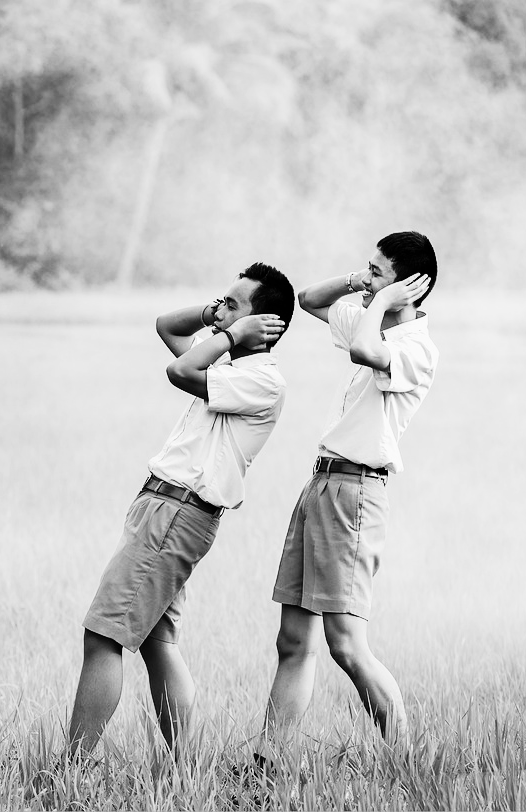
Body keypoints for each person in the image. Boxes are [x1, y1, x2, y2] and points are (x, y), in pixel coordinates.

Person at [68, 263, 295, 756]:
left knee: (103, 636)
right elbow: (167, 327)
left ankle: (68, 771)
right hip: (165, 508)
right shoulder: (229, 368)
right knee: (157, 643)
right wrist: (219, 316)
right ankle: (185, 769)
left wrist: (231, 334)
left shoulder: (262, 380)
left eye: (233, 304)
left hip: (176, 512)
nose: (221, 310)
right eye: (221, 301)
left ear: (262, 324)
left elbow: (179, 370)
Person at [255, 231, 438, 762]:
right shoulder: (371, 317)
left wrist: (382, 300)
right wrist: (364, 283)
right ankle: (266, 765)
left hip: (356, 492)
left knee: (347, 646)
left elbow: (363, 349)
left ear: (410, 286)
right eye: (368, 269)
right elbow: (309, 299)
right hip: (322, 485)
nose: (367, 280)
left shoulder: (416, 348)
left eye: (379, 271)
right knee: (293, 640)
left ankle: (407, 764)